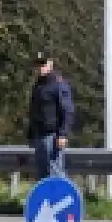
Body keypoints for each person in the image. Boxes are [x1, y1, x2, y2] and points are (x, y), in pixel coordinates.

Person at [26, 51, 75, 180]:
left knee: (56, 172)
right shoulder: (38, 85)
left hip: (53, 136)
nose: (40, 68)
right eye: (38, 65)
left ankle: (62, 199)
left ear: (50, 64)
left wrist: (63, 134)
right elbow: (34, 111)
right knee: (43, 175)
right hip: (39, 135)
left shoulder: (58, 84)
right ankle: (48, 200)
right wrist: (31, 134)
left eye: (43, 64)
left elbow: (67, 110)